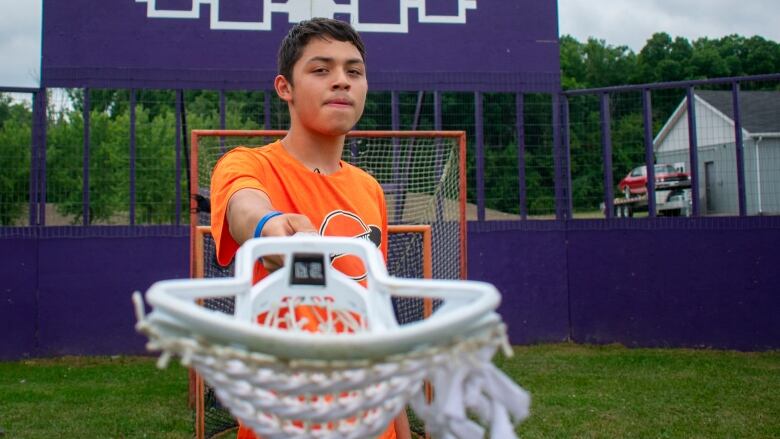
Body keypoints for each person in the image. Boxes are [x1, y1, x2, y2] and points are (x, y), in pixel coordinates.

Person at [209, 17, 411, 439]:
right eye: (321, 70)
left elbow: (379, 326)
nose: (342, 81)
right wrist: (270, 227)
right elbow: (246, 209)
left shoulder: (369, 190)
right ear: (285, 87)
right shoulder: (248, 164)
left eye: (353, 71)